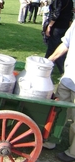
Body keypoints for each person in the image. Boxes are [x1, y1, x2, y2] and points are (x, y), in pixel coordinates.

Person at [42, 21, 75, 162]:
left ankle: (72, 152)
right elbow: (65, 43)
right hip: (68, 77)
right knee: (57, 110)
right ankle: (51, 140)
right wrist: (49, 60)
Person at [45, 0, 73, 75]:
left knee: (53, 48)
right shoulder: (70, 0)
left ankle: (48, 67)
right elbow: (70, 15)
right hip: (65, 27)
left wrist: (49, 26)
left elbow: (56, 14)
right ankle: (48, 67)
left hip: (57, 27)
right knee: (59, 47)